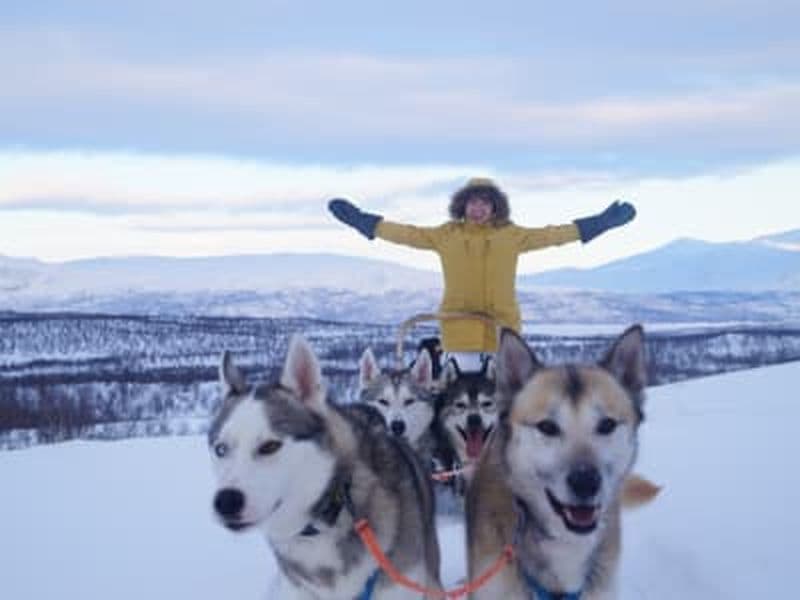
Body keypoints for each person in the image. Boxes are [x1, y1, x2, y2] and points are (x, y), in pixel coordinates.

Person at [328, 177, 636, 371]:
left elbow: (554, 235)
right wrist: (365, 222)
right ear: (462, 206)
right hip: (458, 331)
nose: (478, 208)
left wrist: (598, 223)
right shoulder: (445, 235)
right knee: (459, 405)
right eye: (472, 202)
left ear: (494, 207)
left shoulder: (512, 236)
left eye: (484, 203)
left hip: (503, 333)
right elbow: (406, 234)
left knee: (501, 406)